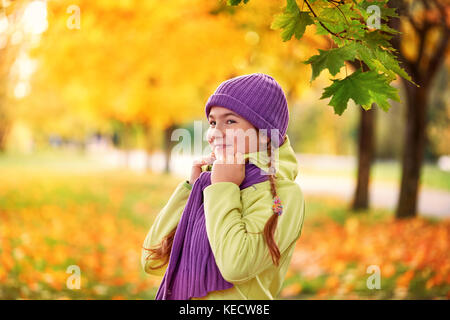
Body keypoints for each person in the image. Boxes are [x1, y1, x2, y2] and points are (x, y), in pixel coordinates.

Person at [141, 73, 306, 300]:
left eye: (230, 121)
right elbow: (152, 261)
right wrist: (190, 191)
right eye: (212, 122)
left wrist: (224, 187)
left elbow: (236, 266)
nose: (214, 134)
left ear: (267, 135)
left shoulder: (284, 195)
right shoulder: (208, 185)